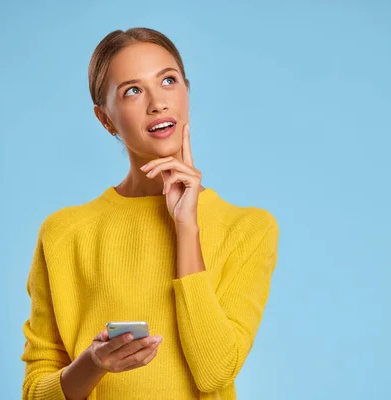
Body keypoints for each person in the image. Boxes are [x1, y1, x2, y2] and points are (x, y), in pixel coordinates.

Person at [21, 27, 280, 400]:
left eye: (168, 80)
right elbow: (35, 392)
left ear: (187, 92)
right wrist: (94, 363)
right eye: (133, 90)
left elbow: (214, 373)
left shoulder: (248, 229)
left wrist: (186, 228)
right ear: (105, 119)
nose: (158, 103)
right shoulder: (64, 234)